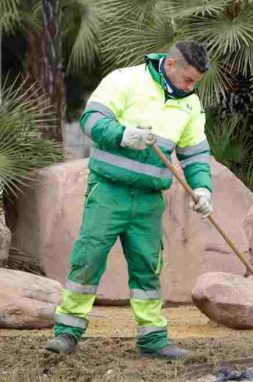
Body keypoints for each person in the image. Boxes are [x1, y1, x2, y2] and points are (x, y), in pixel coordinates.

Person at [45, 41, 214, 360]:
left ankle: (153, 339)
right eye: (189, 79)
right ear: (172, 65)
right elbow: (91, 121)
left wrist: (203, 190)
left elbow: (196, 156)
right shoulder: (125, 80)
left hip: (149, 199)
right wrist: (124, 135)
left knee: (148, 268)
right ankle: (67, 332)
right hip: (108, 189)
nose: (192, 87)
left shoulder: (190, 105)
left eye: (196, 83)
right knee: (89, 257)